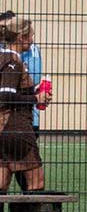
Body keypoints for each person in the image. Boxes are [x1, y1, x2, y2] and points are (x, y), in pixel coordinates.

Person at [0, 17, 52, 199]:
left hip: (2, 128)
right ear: (21, 37)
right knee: (36, 182)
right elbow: (5, 95)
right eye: (31, 36)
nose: (32, 40)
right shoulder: (13, 61)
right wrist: (35, 98)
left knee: (2, 182)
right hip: (16, 127)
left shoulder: (3, 58)